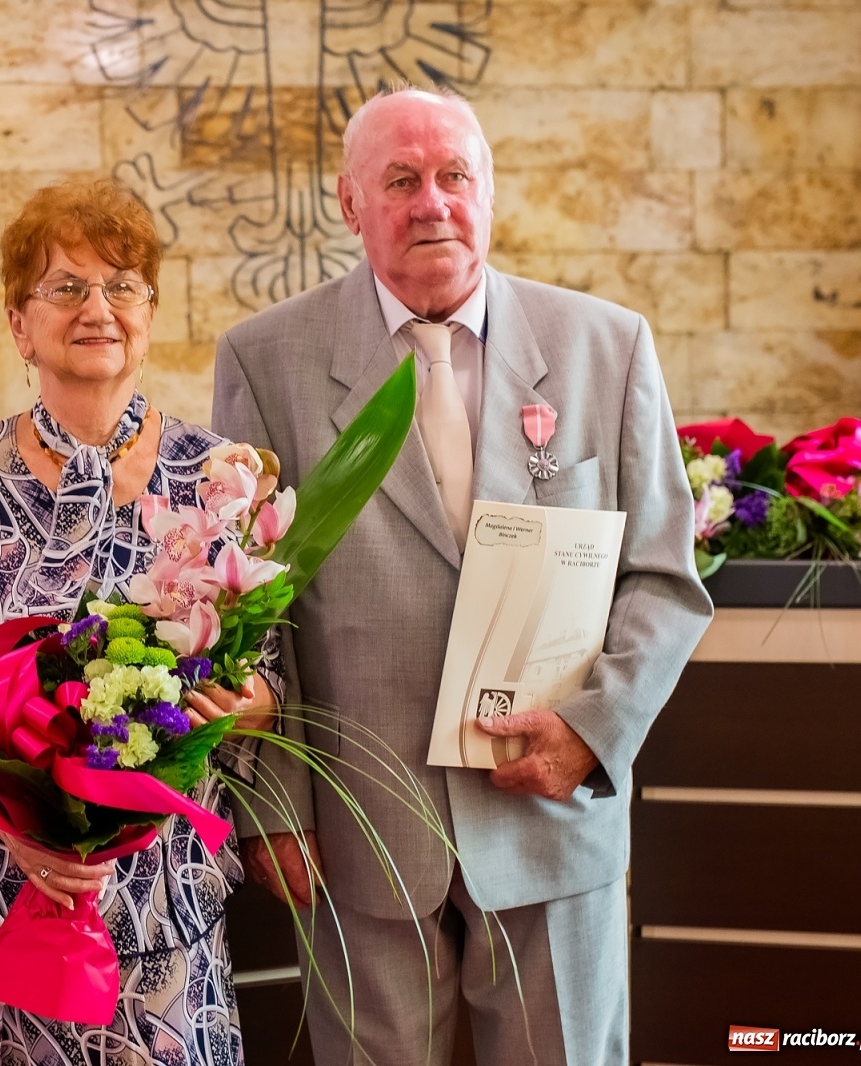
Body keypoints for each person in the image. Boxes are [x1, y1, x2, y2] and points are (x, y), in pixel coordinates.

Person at [213, 87, 713, 1064]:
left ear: (489, 194)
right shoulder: (266, 358)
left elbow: (661, 579)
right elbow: (249, 610)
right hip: (358, 835)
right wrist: (270, 805)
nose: (430, 202)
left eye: (454, 177)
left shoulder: (605, 349)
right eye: (399, 180)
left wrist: (590, 728)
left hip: (548, 814)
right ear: (350, 204)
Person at [0, 178, 278, 1066]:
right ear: (21, 325)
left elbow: (266, 683)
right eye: (65, 286)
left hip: (157, 918)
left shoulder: (215, 475)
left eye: (122, 284)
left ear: (150, 312)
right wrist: (18, 826)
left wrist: (232, 704)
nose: (97, 306)